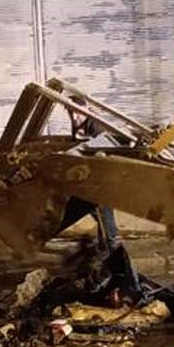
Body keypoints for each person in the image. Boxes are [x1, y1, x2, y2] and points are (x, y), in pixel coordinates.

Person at [67, 96, 119, 249]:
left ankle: (111, 243)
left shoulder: (96, 126)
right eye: (71, 113)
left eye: (77, 112)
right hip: (92, 177)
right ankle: (108, 242)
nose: (74, 117)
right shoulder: (80, 124)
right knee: (100, 212)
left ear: (87, 110)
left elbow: (100, 151)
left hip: (102, 177)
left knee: (102, 209)